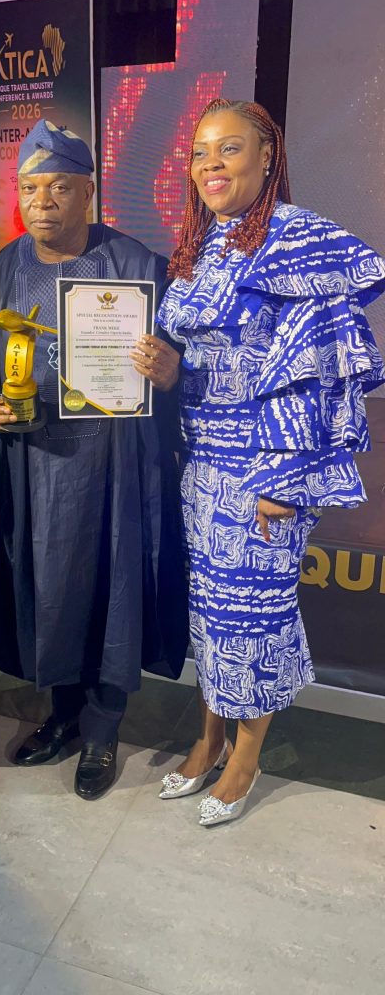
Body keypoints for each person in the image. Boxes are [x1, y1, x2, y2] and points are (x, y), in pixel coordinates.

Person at [156, 98, 385, 826]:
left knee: (253, 617)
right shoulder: (204, 244)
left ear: (267, 156)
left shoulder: (298, 241)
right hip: (202, 465)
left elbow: (311, 371)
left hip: (263, 471)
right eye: (200, 152)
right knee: (211, 612)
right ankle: (208, 738)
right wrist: (169, 371)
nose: (211, 165)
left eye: (229, 149)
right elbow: (194, 355)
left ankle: (246, 758)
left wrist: (283, 482)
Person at [0, 120, 188, 800]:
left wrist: (171, 372)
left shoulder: (142, 270)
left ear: (89, 192)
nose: (43, 202)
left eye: (60, 187)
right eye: (31, 188)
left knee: (111, 591)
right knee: (52, 589)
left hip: (114, 469)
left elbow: (191, 365)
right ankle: (62, 716)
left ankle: (103, 728)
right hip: (36, 470)